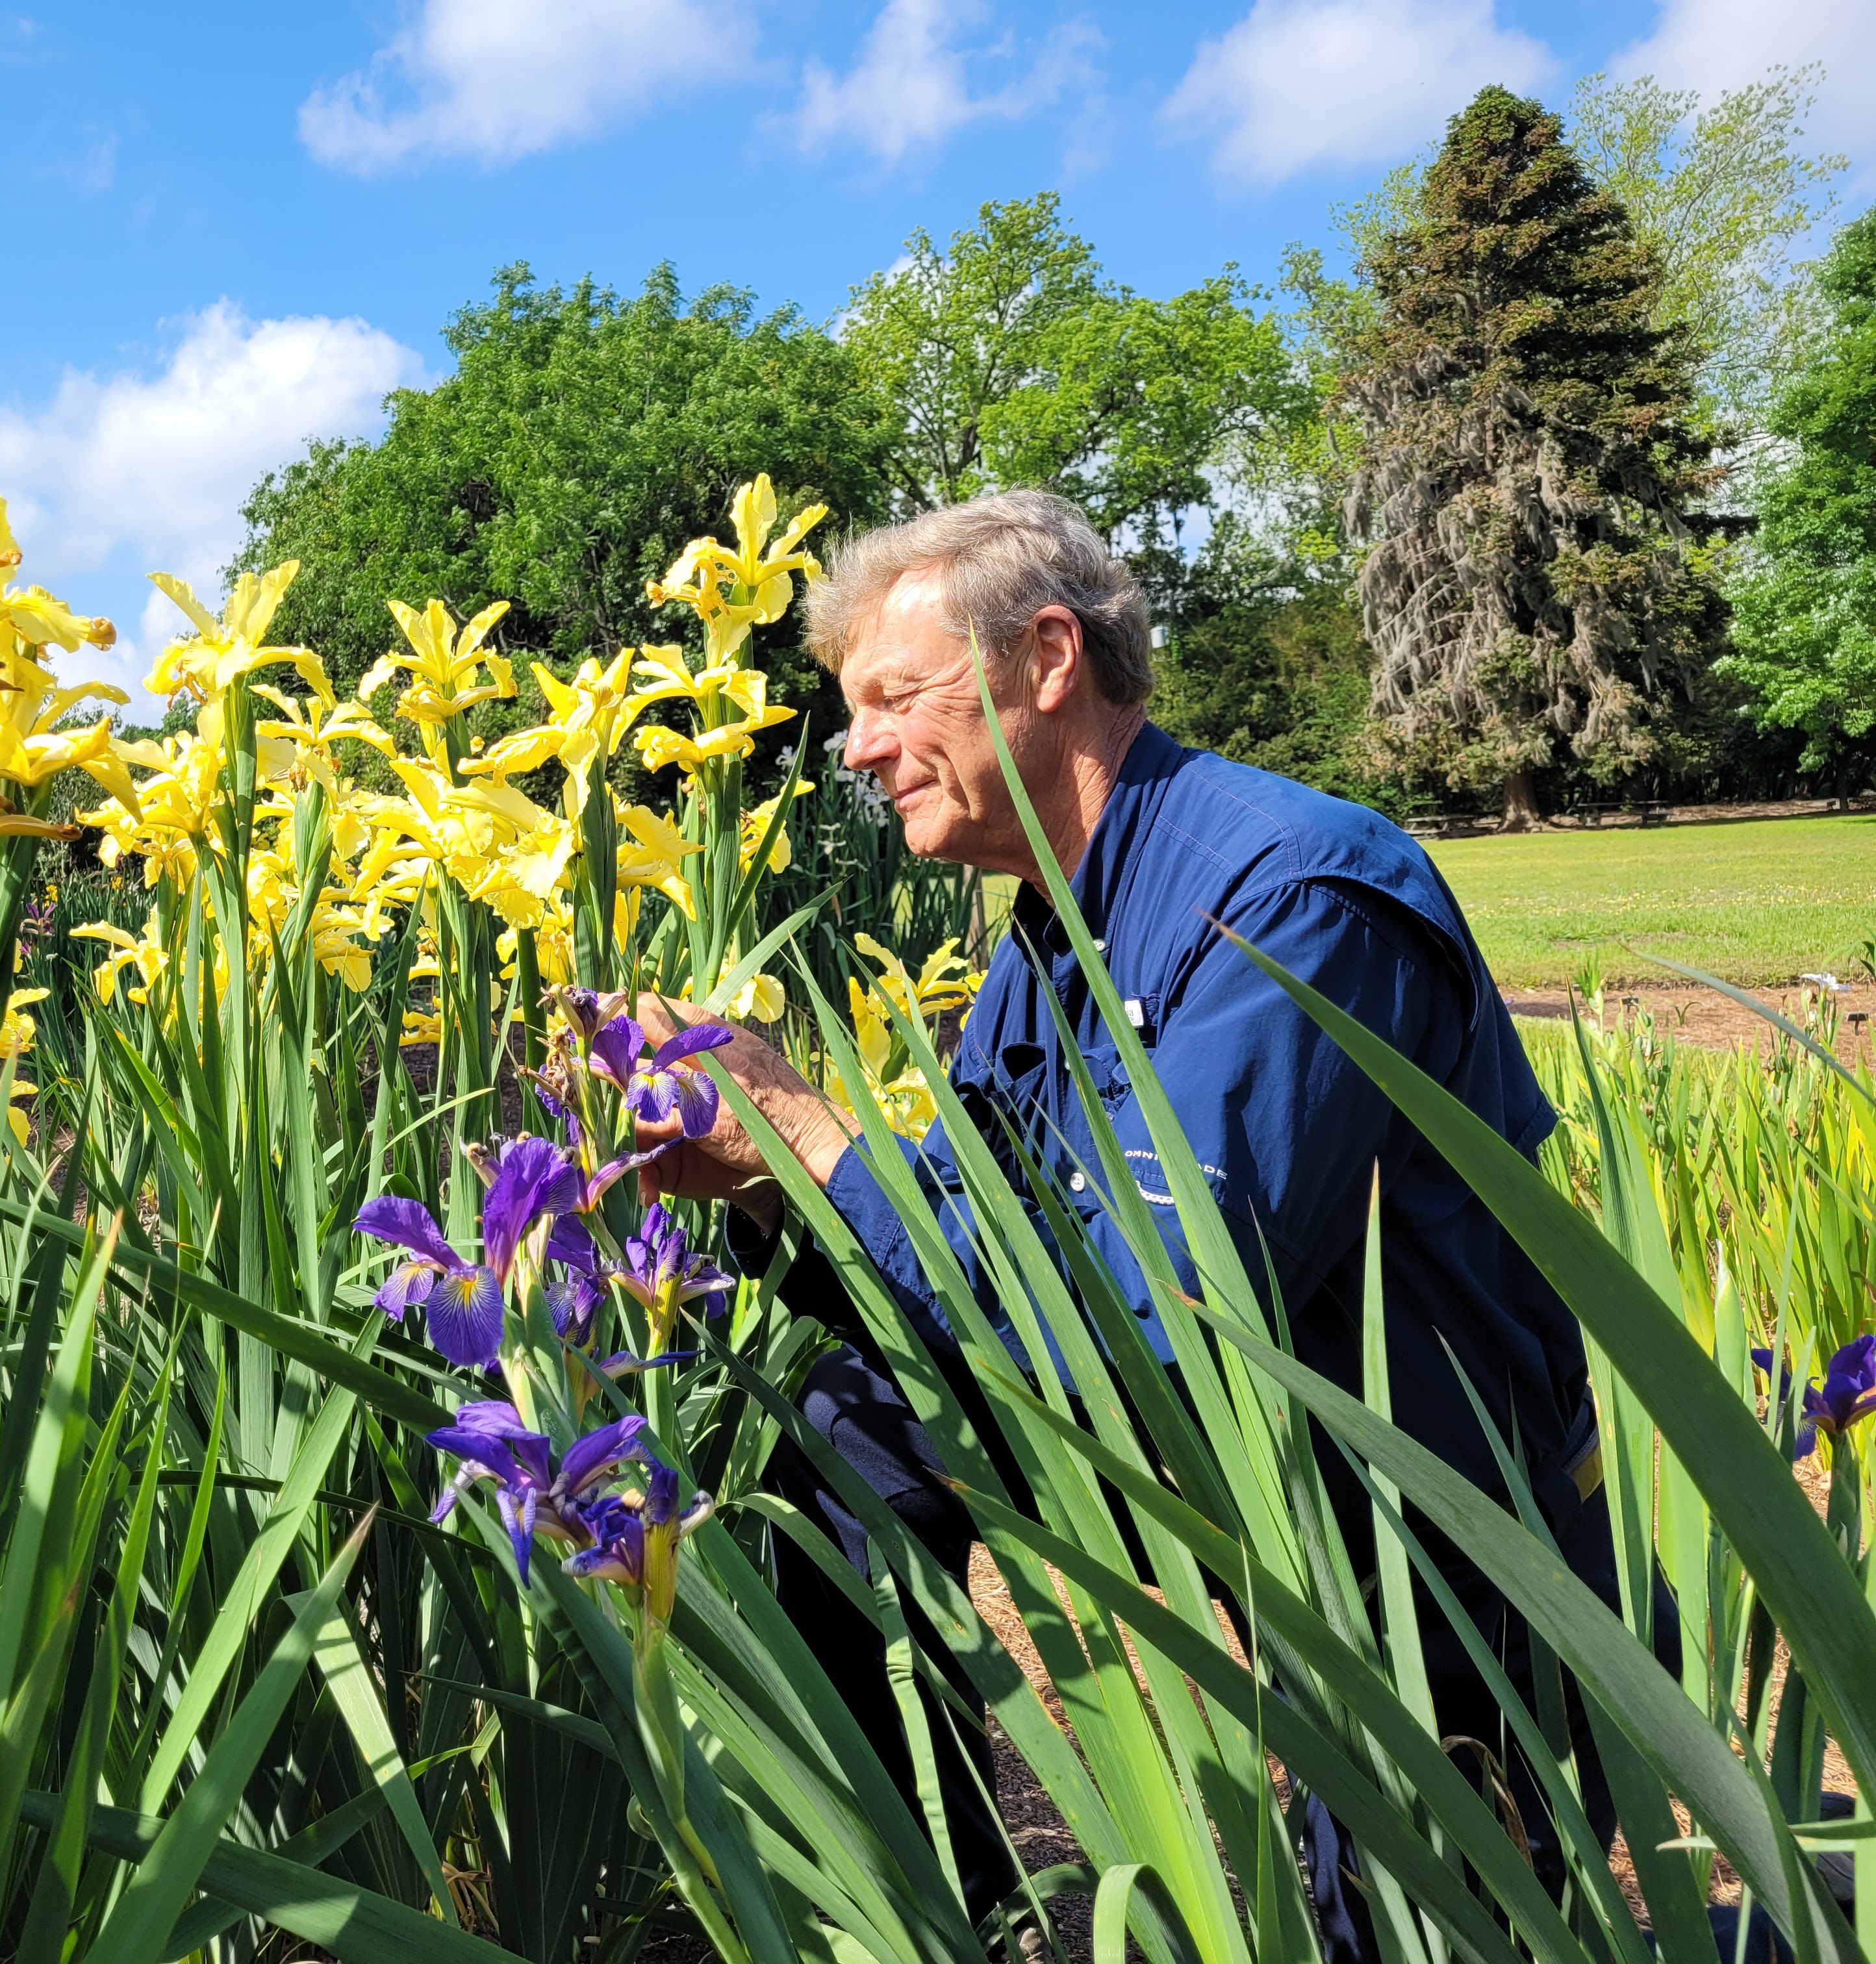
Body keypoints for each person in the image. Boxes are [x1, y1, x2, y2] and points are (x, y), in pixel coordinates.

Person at [633, 490, 1644, 1960]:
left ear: (1048, 658)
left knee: (1429, 1929)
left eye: (889, 699)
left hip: (1442, 1555)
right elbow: (977, 1258)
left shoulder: (1290, 895)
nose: (854, 749)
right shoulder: (1047, 937)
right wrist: (756, 1185)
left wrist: (808, 1133)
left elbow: (1153, 1310)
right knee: (834, 1442)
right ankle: (935, 1921)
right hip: (1258, 1514)